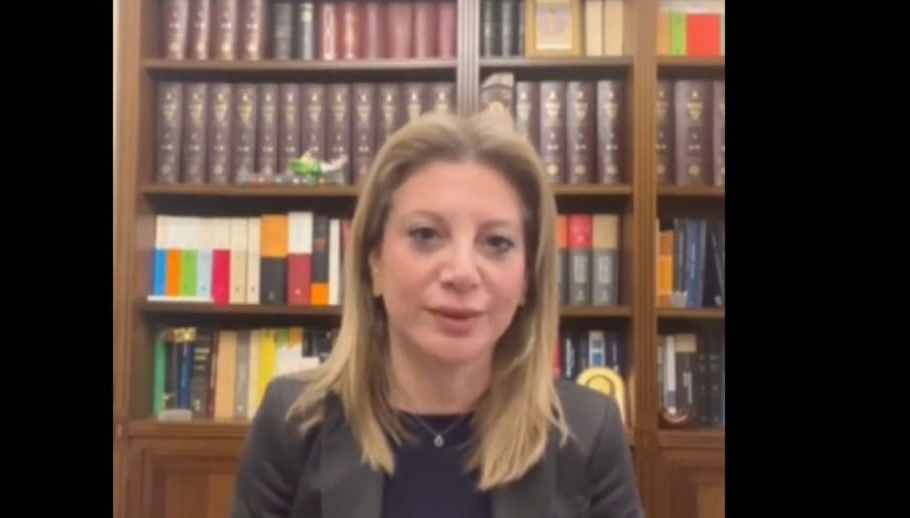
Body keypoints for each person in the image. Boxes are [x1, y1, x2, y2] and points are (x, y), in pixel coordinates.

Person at [230, 111, 645, 518]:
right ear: (374, 259)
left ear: (526, 279)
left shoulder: (588, 431)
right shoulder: (294, 422)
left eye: (497, 242)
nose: (462, 273)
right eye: (426, 235)